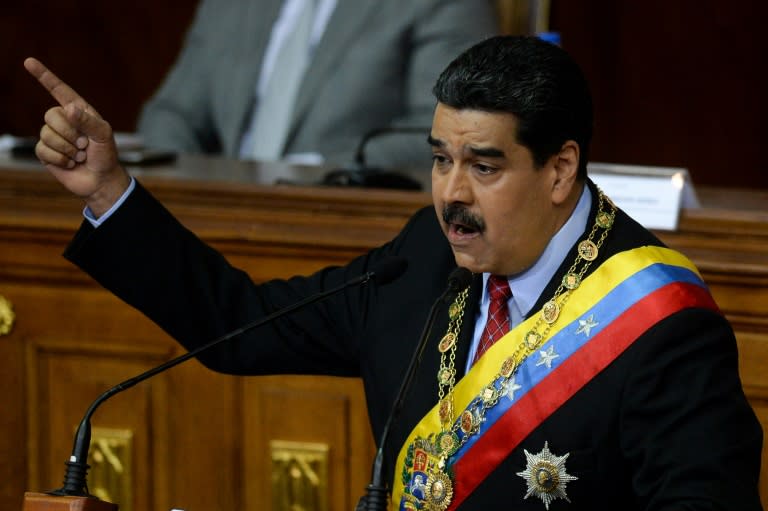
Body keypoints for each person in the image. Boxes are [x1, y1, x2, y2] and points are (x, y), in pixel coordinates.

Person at [25, 35, 763, 510]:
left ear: (560, 168)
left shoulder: (660, 325)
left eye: (484, 165)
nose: (452, 195)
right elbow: (237, 325)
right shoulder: (422, 256)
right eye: (440, 160)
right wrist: (106, 192)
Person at [136, 0, 499, 170]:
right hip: (217, 219)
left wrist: (317, 175)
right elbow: (171, 115)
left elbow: (453, 133)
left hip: (346, 232)